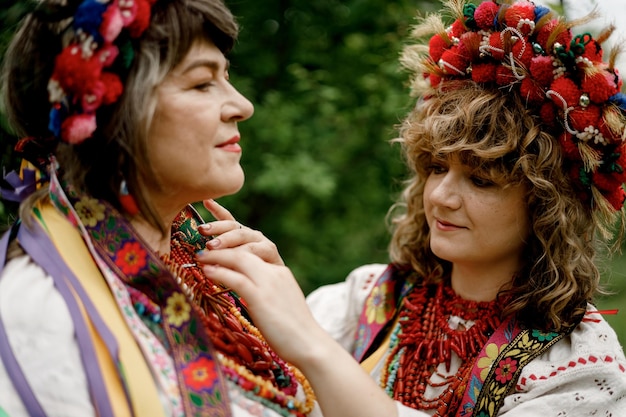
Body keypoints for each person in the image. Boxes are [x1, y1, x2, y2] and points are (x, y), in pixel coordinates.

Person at [197, 0, 626, 416]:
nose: (441, 196)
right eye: (437, 168)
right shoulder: (369, 298)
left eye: (480, 180)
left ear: (547, 206)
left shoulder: (580, 367)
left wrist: (310, 343)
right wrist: (246, 311)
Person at [0, 0, 320, 416]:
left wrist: (304, 335)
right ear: (116, 114)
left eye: (226, 77)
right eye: (203, 83)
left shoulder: (211, 277)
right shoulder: (41, 311)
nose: (243, 105)